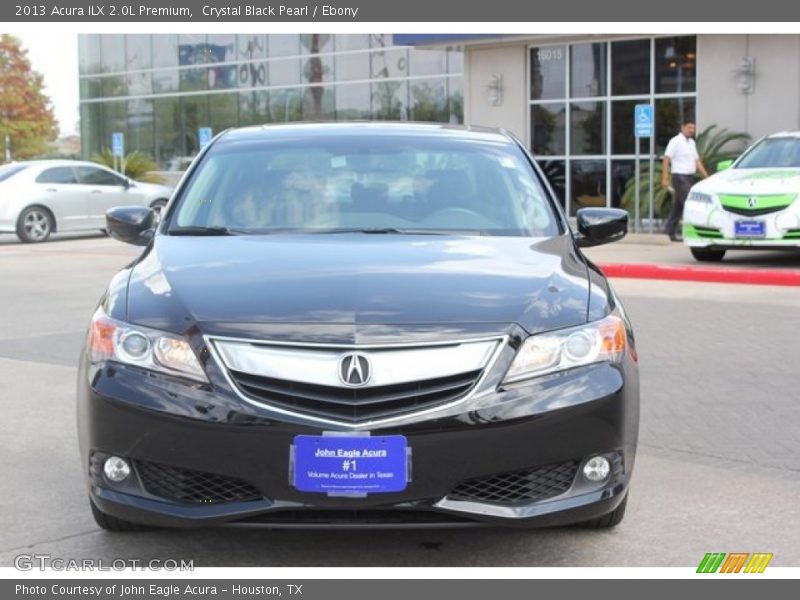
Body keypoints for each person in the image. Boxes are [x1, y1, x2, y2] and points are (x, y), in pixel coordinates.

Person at [661, 120, 709, 241]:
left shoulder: (692, 143)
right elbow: (666, 159)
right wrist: (665, 178)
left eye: (693, 128)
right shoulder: (675, 141)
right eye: (689, 128)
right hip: (679, 176)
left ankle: (669, 231)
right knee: (690, 203)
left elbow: (697, 161)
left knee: (678, 206)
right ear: (682, 127)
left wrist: (707, 177)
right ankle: (695, 232)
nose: (692, 130)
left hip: (689, 177)